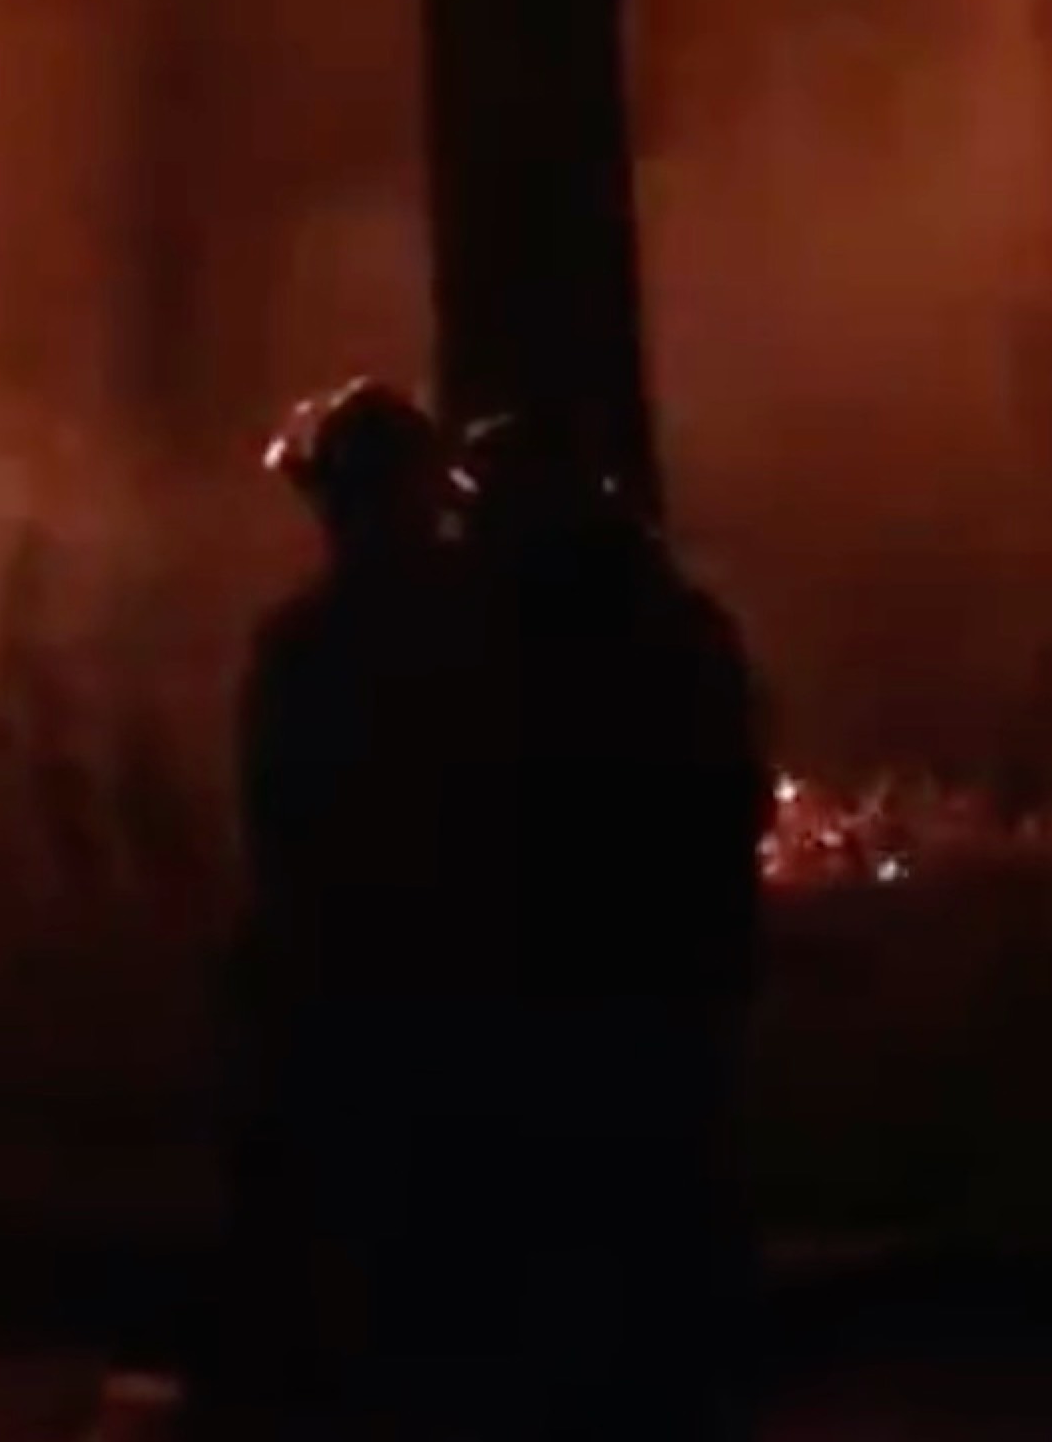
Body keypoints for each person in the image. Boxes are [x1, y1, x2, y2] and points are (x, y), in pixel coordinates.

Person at [452, 412, 771, 1442]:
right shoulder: (676, 621)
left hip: (567, 967)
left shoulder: (501, 640)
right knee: (665, 1200)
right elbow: (738, 788)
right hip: (670, 962)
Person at [215, 379, 488, 1434]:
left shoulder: (303, 643)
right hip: (457, 966)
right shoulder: (485, 623)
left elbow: (277, 815)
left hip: (350, 967)